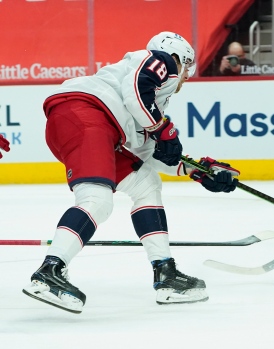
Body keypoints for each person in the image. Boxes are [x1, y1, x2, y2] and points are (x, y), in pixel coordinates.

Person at [22, 31, 240, 314]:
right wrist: (162, 129)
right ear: (180, 59)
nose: (185, 78)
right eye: (187, 70)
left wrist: (198, 171)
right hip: (86, 114)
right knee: (97, 200)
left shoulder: (152, 106)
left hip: (90, 125)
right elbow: (139, 89)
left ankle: (165, 274)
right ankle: (49, 271)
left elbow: (149, 154)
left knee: (146, 183)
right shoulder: (159, 62)